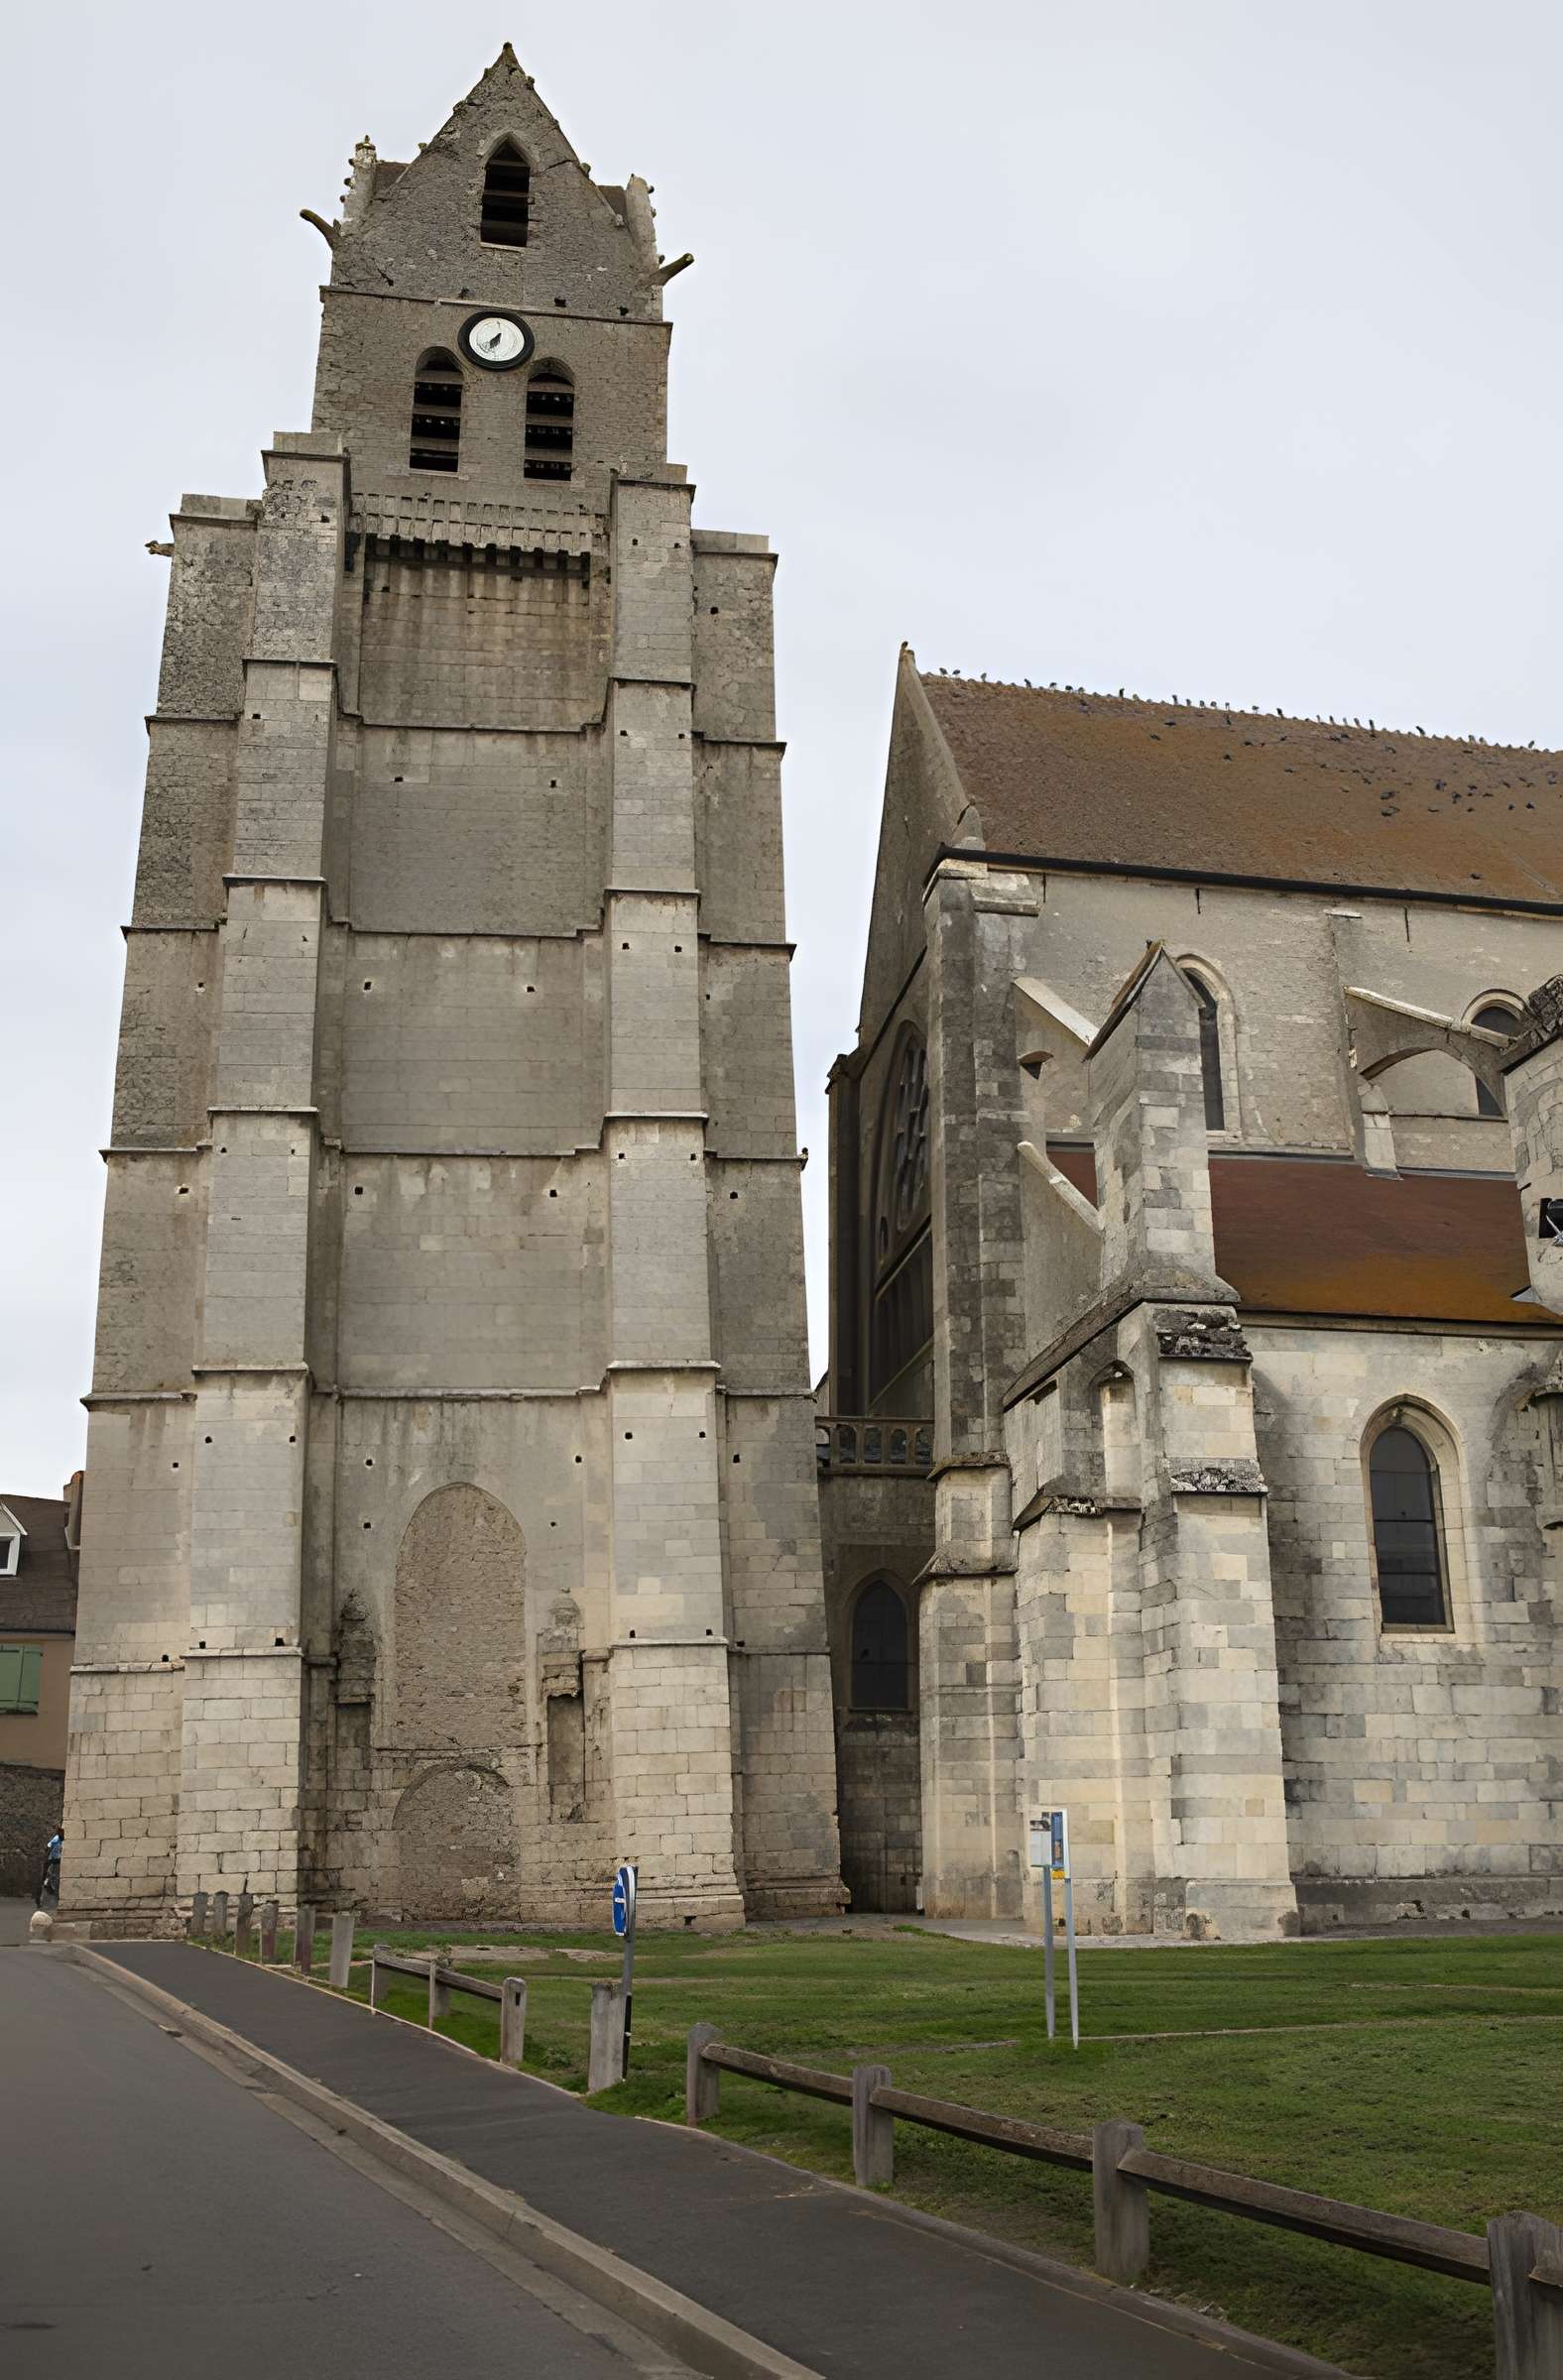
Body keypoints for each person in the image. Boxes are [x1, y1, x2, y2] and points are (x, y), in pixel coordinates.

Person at [37, 1826, 62, 1908]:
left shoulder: (61, 1840)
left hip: (56, 1861)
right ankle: (39, 1899)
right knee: (46, 1878)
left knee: (52, 1877)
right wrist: (47, 1858)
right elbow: (48, 1847)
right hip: (52, 1860)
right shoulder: (56, 1839)